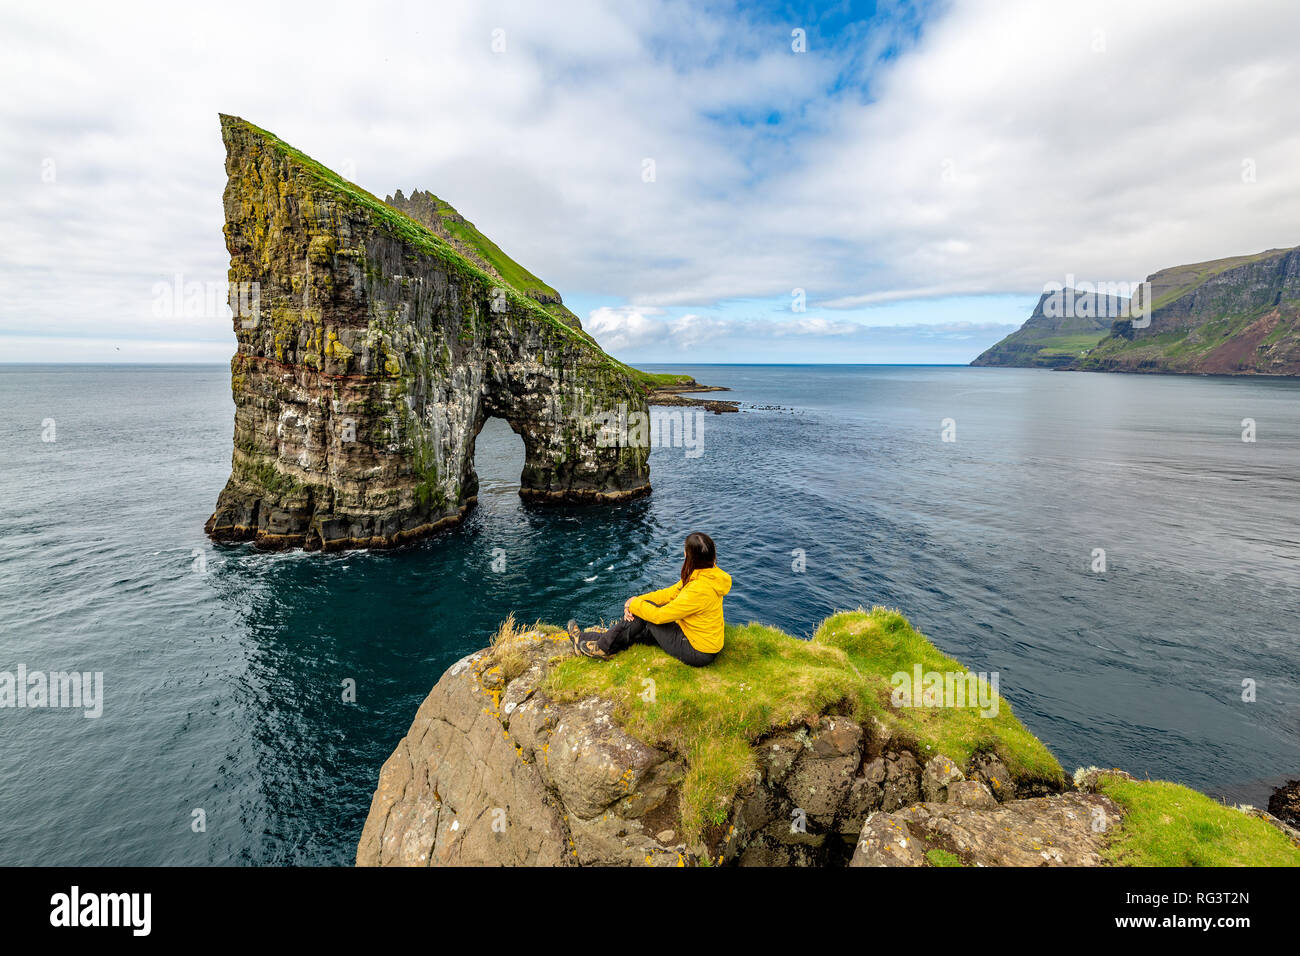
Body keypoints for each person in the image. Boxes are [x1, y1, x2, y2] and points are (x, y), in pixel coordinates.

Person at [568, 532, 731, 667]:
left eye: (685, 551)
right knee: (638, 630)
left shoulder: (699, 589)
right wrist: (635, 600)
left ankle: (601, 648)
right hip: (695, 635)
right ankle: (583, 640)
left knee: (645, 618)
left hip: (698, 650)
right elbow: (668, 594)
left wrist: (635, 605)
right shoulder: (707, 574)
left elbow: (659, 616)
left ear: (689, 556)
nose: (683, 553)